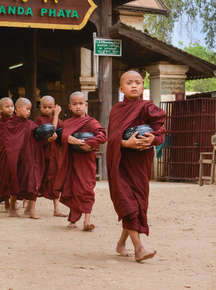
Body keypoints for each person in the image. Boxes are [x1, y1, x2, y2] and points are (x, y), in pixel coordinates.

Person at [107, 70, 166, 262]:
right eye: (129, 82)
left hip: (140, 164)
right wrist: (126, 143)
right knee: (128, 205)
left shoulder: (148, 107)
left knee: (137, 204)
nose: (134, 86)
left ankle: (121, 243)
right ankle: (139, 248)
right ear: (121, 88)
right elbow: (113, 137)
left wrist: (152, 140)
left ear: (143, 86)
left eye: (138, 82)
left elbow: (160, 131)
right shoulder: (116, 110)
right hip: (121, 164)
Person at [55, 91, 106, 231]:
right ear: (70, 107)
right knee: (72, 189)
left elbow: (102, 135)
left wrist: (88, 143)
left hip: (86, 161)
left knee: (86, 189)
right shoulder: (67, 123)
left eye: (81, 104)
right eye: (75, 104)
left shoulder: (91, 122)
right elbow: (62, 136)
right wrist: (68, 138)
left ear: (86, 105)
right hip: (72, 161)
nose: (78, 107)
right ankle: (73, 219)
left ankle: (87, 221)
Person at [35, 95, 66, 217]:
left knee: (55, 181)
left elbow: (62, 133)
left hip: (54, 156)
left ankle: (56, 209)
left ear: (54, 107)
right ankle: (29, 207)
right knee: (37, 180)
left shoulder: (58, 121)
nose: (47, 109)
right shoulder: (39, 120)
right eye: (44, 107)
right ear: (40, 107)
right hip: (42, 155)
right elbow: (50, 131)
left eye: (50, 107)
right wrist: (57, 115)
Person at [0, 97, 15, 211]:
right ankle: (6, 203)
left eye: (11, 106)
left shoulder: (16, 121)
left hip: (14, 156)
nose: (10, 109)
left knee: (14, 179)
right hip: (3, 156)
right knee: (5, 179)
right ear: (1, 109)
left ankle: (13, 203)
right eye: (7, 107)